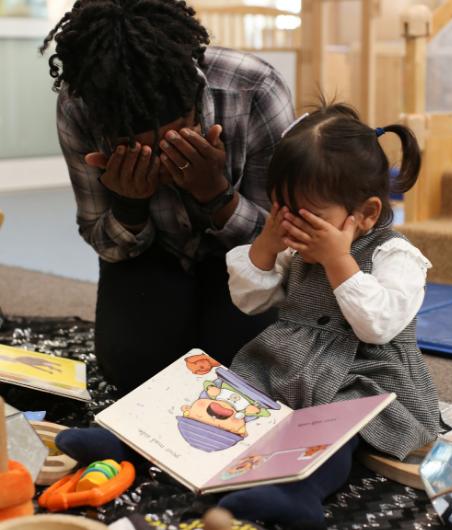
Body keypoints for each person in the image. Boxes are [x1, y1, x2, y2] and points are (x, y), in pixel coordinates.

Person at [39, 0, 294, 393]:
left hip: (244, 260)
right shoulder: (81, 106)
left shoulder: (254, 89)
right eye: (137, 149)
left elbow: (283, 247)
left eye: (176, 137)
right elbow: (100, 237)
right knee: (133, 369)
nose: (162, 159)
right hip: (150, 252)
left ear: (193, 98)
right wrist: (128, 208)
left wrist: (216, 197)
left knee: (248, 367)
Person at [215, 102, 440, 526]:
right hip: (292, 365)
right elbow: (250, 299)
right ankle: (133, 445)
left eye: (310, 217)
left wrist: (339, 261)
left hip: (366, 375)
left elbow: (379, 326)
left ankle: (299, 494)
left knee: (338, 432)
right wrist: (266, 243)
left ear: (367, 213)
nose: (295, 228)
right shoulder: (295, 248)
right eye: (284, 211)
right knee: (228, 395)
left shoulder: (396, 256)